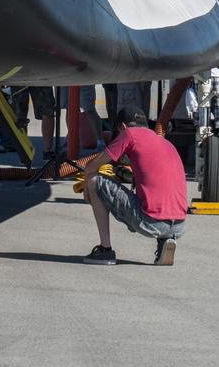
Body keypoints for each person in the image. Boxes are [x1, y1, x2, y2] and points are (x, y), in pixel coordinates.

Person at [80, 107, 187, 266]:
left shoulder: (129, 134)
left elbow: (91, 167)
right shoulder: (165, 143)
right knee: (159, 196)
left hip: (151, 222)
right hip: (179, 225)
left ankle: (105, 250)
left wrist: (88, 190)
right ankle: (165, 241)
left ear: (123, 127)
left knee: (95, 181)